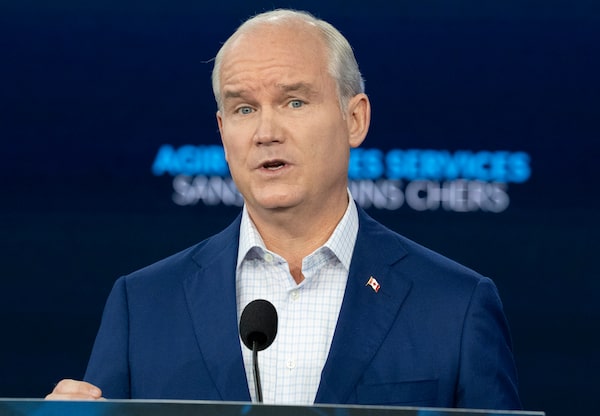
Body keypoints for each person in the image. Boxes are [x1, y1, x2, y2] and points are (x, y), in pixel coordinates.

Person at [46, 9, 521, 409]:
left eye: (294, 102)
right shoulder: (143, 305)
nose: (266, 133)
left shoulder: (455, 306)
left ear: (355, 119)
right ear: (223, 132)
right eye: (244, 109)